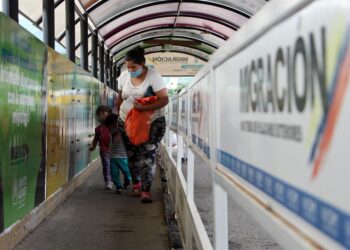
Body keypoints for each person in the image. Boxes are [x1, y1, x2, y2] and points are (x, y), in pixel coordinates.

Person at [117, 46, 168, 203]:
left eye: (134, 67)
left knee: (147, 155)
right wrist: (123, 114)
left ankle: (146, 190)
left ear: (142, 64)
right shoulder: (124, 77)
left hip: (151, 122)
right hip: (128, 121)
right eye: (128, 66)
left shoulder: (154, 76)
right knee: (131, 154)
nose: (131, 70)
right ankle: (137, 184)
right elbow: (120, 97)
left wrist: (143, 108)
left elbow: (164, 99)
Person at [104, 113, 132, 194]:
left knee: (127, 171)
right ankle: (118, 186)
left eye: (110, 127)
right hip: (112, 157)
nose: (109, 129)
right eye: (108, 127)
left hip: (123, 156)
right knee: (114, 173)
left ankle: (127, 181)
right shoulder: (110, 133)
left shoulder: (123, 132)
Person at [89, 105, 113, 190]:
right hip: (104, 150)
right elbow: (96, 139)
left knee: (114, 167)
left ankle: (118, 180)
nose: (102, 115)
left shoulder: (115, 126)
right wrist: (93, 146)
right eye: (99, 114)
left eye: (104, 113)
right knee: (106, 166)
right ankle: (108, 181)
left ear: (109, 114)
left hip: (115, 151)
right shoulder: (98, 129)